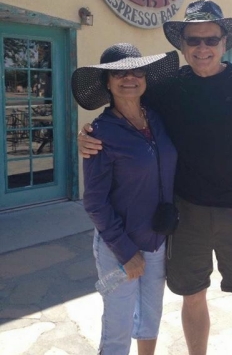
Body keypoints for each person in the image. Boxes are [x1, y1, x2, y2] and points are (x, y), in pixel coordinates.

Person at [77, 0, 232, 355]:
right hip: (185, 214)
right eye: (193, 40)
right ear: (182, 44)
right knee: (192, 297)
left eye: (210, 39)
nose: (202, 48)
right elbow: (126, 104)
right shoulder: (167, 88)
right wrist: (88, 134)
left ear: (224, 43)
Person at [71, 43, 178, 355]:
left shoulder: (158, 119)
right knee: (117, 329)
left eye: (136, 70)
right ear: (107, 82)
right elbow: (94, 201)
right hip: (118, 248)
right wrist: (126, 252)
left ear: (145, 77)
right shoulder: (100, 133)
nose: (129, 78)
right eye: (119, 72)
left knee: (150, 318)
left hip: (157, 241)